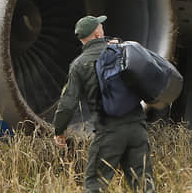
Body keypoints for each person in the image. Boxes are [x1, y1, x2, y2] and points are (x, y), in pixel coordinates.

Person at [53, 15, 155, 193]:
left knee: (95, 185)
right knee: (144, 185)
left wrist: (59, 130)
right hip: (137, 128)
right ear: (97, 33)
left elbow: (68, 103)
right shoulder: (121, 51)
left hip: (109, 132)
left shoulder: (79, 64)